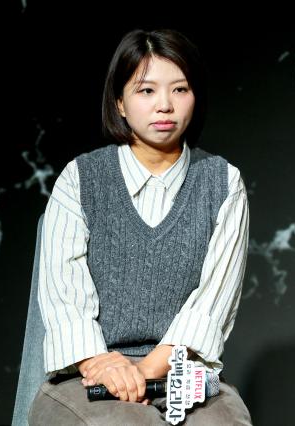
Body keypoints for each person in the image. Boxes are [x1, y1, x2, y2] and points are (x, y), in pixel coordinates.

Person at [30, 28, 252, 425]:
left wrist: (144, 371)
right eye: (146, 91)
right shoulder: (81, 179)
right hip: (87, 376)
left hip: (180, 374)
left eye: (180, 90)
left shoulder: (223, 183)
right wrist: (105, 365)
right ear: (120, 102)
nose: (165, 105)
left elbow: (211, 305)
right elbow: (65, 297)